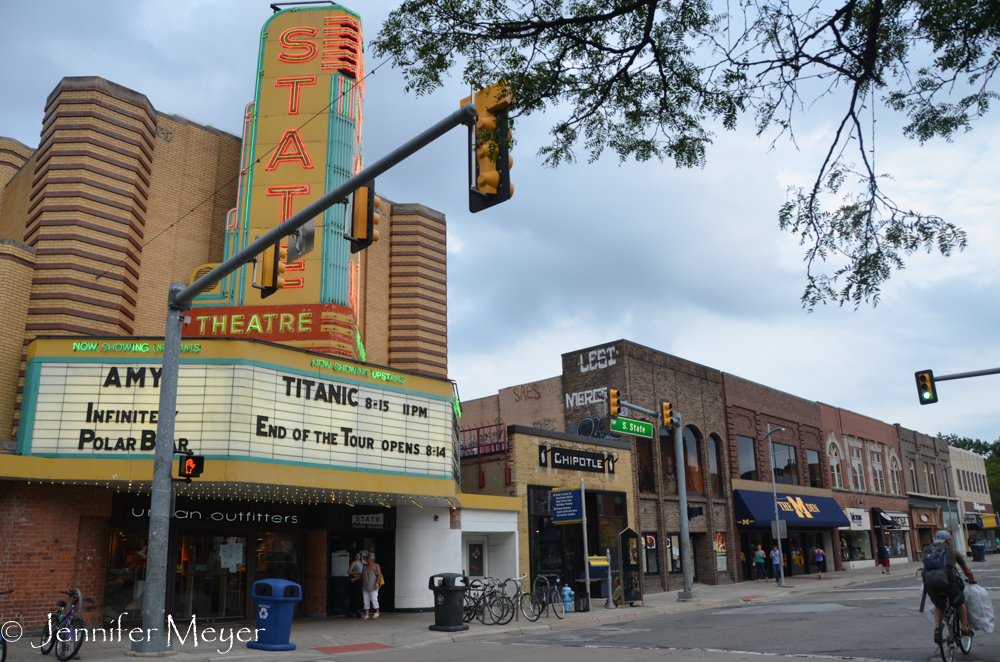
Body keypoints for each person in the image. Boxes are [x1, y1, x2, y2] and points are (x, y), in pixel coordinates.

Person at [924, 530, 977, 645]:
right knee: (960, 603)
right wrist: (972, 579)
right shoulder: (952, 551)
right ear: (947, 540)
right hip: (949, 584)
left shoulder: (928, 551)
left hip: (932, 584)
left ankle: (937, 628)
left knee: (939, 605)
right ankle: (964, 629)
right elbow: (966, 570)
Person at [361, 551, 383, 620]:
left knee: (374, 599)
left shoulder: (376, 566)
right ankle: (367, 614)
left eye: (368, 558)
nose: (367, 559)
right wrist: (355, 578)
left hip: (373, 586)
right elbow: (362, 575)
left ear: (372, 559)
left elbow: (379, 575)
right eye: (366, 558)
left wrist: (377, 583)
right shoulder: (364, 567)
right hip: (365, 586)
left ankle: (377, 611)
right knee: (366, 600)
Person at [347, 551, 364, 618]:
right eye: (356, 555)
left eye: (359, 555)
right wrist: (356, 572)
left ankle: (357, 610)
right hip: (354, 580)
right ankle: (352, 611)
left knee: (359, 596)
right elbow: (349, 572)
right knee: (355, 596)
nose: (358, 556)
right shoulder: (353, 563)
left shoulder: (360, 563)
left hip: (359, 579)